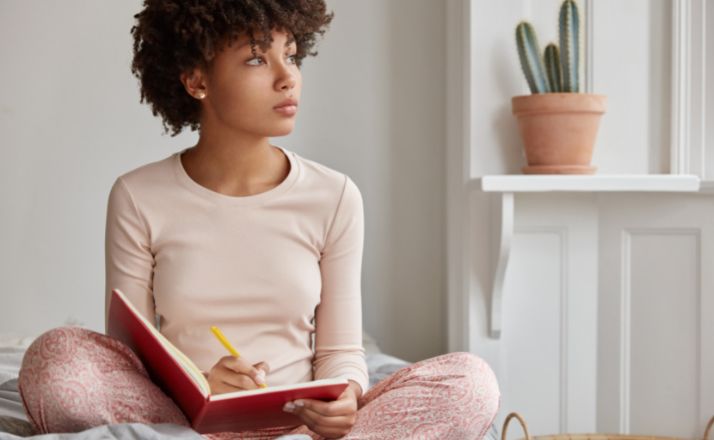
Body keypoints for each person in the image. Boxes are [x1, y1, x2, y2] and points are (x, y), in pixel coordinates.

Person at [17, 1, 500, 439]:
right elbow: (131, 358)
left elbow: (340, 352)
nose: (286, 76)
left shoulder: (334, 196)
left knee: (470, 383)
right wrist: (200, 384)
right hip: (183, 420)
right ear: (196, 80)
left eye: (290, 55)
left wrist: (347, 397)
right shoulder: (138, 196)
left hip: (300, 427)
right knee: (55, 361)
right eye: (256, 59)